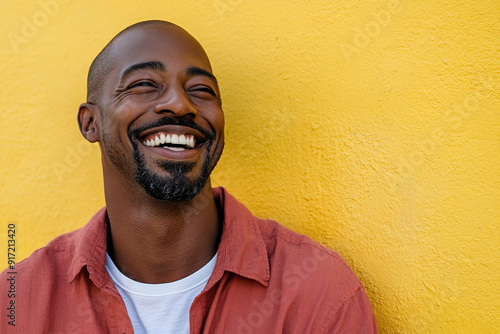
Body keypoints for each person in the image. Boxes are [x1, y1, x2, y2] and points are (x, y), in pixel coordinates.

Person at [0, 20, 378, 333]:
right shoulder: (17, 304)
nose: (181, 104)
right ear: (90, 123)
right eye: (144, 84)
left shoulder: (316, 294)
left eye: (201, 90)